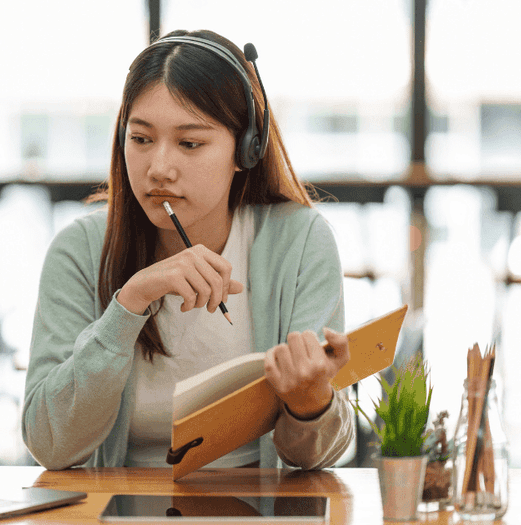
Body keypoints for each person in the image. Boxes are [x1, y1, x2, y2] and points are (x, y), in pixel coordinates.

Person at [22, 29, 354, 470]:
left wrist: (310, 403)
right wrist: (129, 303)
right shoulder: (79, 250)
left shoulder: (300, 241)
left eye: (190, 143)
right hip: (116, 509)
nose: (158, 168)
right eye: (140, 139)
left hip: (256, 508)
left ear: (246, 150)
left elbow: (316, 457)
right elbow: (50, 443)